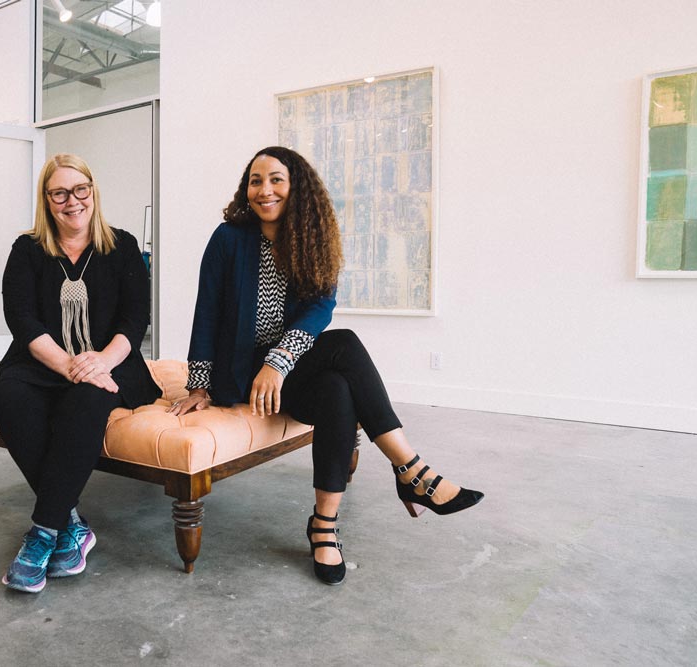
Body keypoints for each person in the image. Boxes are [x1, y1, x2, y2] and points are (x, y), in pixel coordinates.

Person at [169, 146, 483, 586]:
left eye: (276, 179)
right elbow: (205, 313)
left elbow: (321, 307)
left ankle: (324, 526)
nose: (264, 190)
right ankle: (410, 469)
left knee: (337, 385)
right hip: (239, 374)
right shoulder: (229, 238)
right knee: (346, 345)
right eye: (255, 181)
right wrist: (199, 385)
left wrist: (278, 363)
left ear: (296, 185)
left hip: (284, 372)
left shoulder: (314, 238)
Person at [0, 154, 161, 593]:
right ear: (47, 200)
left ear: (93, 191)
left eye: (80, 189)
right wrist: (67, 364)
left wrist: (100, 361)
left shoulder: (122, 245)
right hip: (42, 361)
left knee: (88, 397)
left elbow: (136, 319)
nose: (72, 201)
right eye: (59, 192)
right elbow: (21, 318)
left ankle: (44, 531)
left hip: (111, 361)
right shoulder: (27, 249)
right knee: (9, 398)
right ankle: (72, 525)